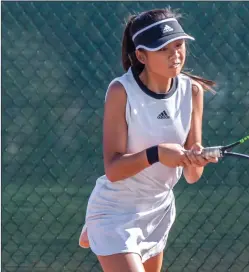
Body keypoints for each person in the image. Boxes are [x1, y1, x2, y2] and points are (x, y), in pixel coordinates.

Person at [78, 7, 218, 272]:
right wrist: (156, 153)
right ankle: (98, 228)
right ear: (141, 55)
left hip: (158, 210)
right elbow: (114, 169)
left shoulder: (193, 91)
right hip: (115, 211)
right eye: (163, 49)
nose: (175, 54)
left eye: (178, 45)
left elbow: (192, 175)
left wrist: (195, 157)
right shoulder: (121, 91)